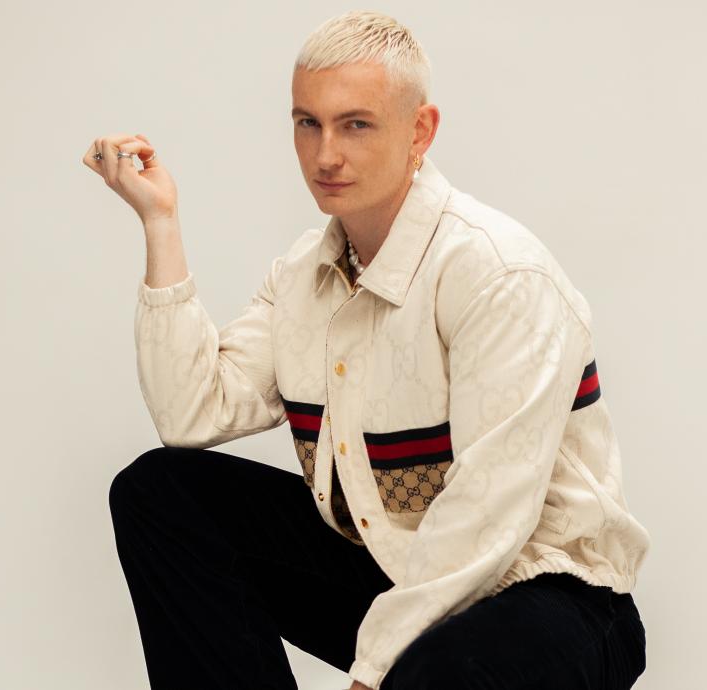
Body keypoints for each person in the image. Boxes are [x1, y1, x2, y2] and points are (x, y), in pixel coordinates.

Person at [83, 10, 650, 690]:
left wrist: (371, 675)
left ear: (419, 131)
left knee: (442, 673)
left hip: (548, 590)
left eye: (355, 124)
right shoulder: (302, 277)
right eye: (307, 123)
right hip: (394, 566)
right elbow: (191, 415)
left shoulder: (498, 274)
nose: (325, 155)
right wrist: (160, 222)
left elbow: (486, 516)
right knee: (159, 494)